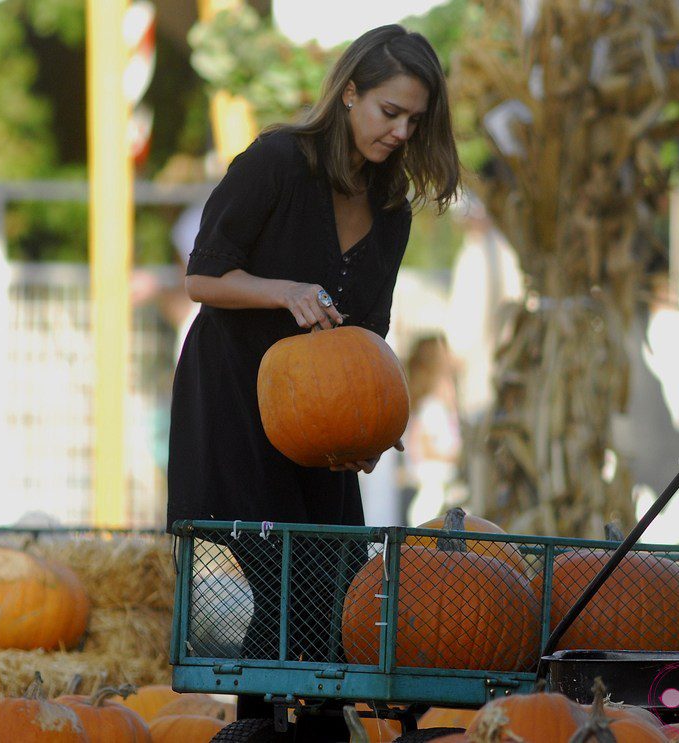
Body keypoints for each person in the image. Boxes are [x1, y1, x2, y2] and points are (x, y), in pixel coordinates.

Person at [165, 24, 460, 732]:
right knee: (278, 576)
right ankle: (265, 725)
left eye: (415, 121)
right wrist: (284, 290)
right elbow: (204, 274)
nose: (400, 132)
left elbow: (368, 332)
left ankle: (315, 721)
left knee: (336, 582)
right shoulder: (276, 161)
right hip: (239, 399)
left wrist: (369, 428)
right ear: (350, 92)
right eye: (390, 112)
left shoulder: (390, 206)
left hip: (320, 423)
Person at [402, 334, 462, 525]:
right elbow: (422, 447)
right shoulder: (431, 408)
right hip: (433, 491)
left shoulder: (435, 407)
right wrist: (456, 457)